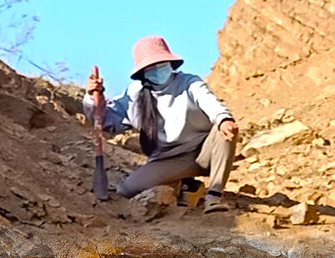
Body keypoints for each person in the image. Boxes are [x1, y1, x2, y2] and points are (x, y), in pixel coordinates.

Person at [84, 36, 239, 213]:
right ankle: (185, 184)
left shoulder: (189, 83)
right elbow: (105, 121)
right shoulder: (134, 95)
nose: (158, 70)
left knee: (224, 130)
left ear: (170, 63)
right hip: (169, 160)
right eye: (151, 68)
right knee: (128, 189)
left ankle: (213, 196)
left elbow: (209, 101)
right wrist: (93, 96)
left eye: (162, 64)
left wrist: (223, 118)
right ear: (142, 73)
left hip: (205, 152)